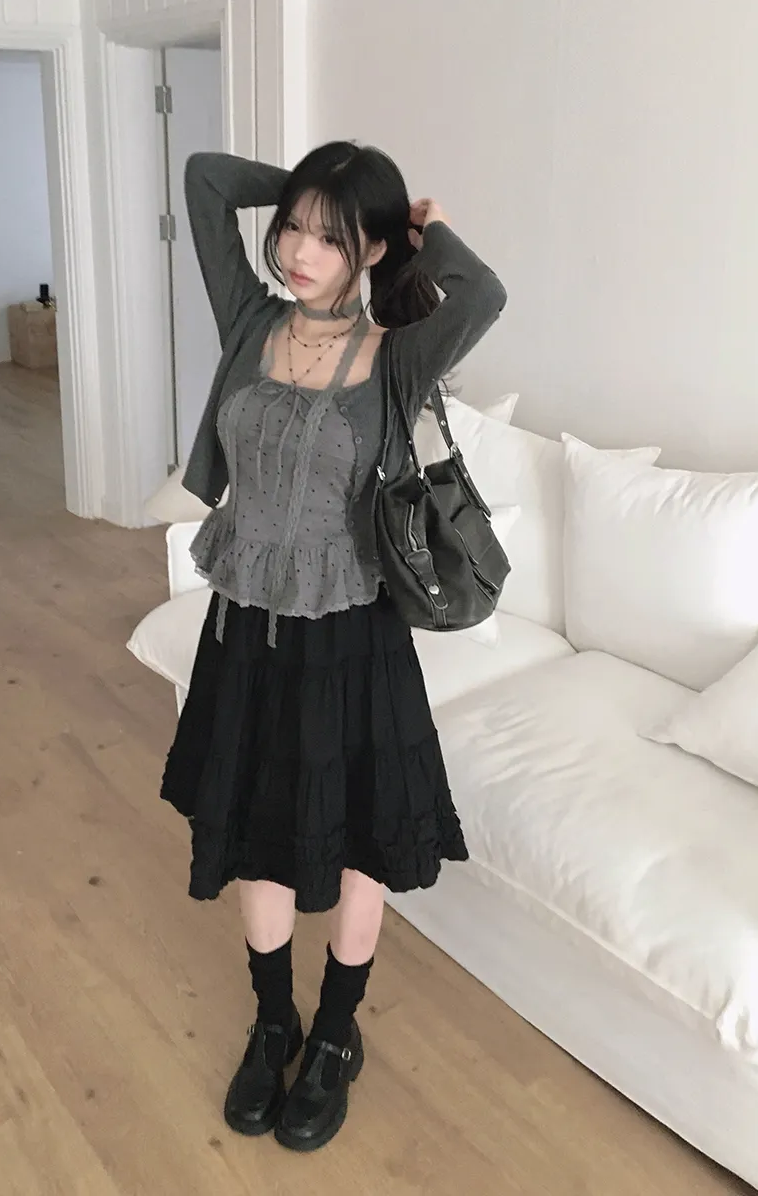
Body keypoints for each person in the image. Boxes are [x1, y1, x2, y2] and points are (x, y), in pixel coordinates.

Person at [159, 141, 507, 1152]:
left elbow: (482, 294)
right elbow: (206, 178)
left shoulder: (397, 353)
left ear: (371, 250)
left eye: (329, 237)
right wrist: (323, 185)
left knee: (357, 842)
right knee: (256, 829)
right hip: (245, 627)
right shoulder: (251, 319)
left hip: (353, 636)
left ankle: (336, 1033)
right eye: (295, 229)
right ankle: (273, 1022)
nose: (299, 251)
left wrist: (409, 227)